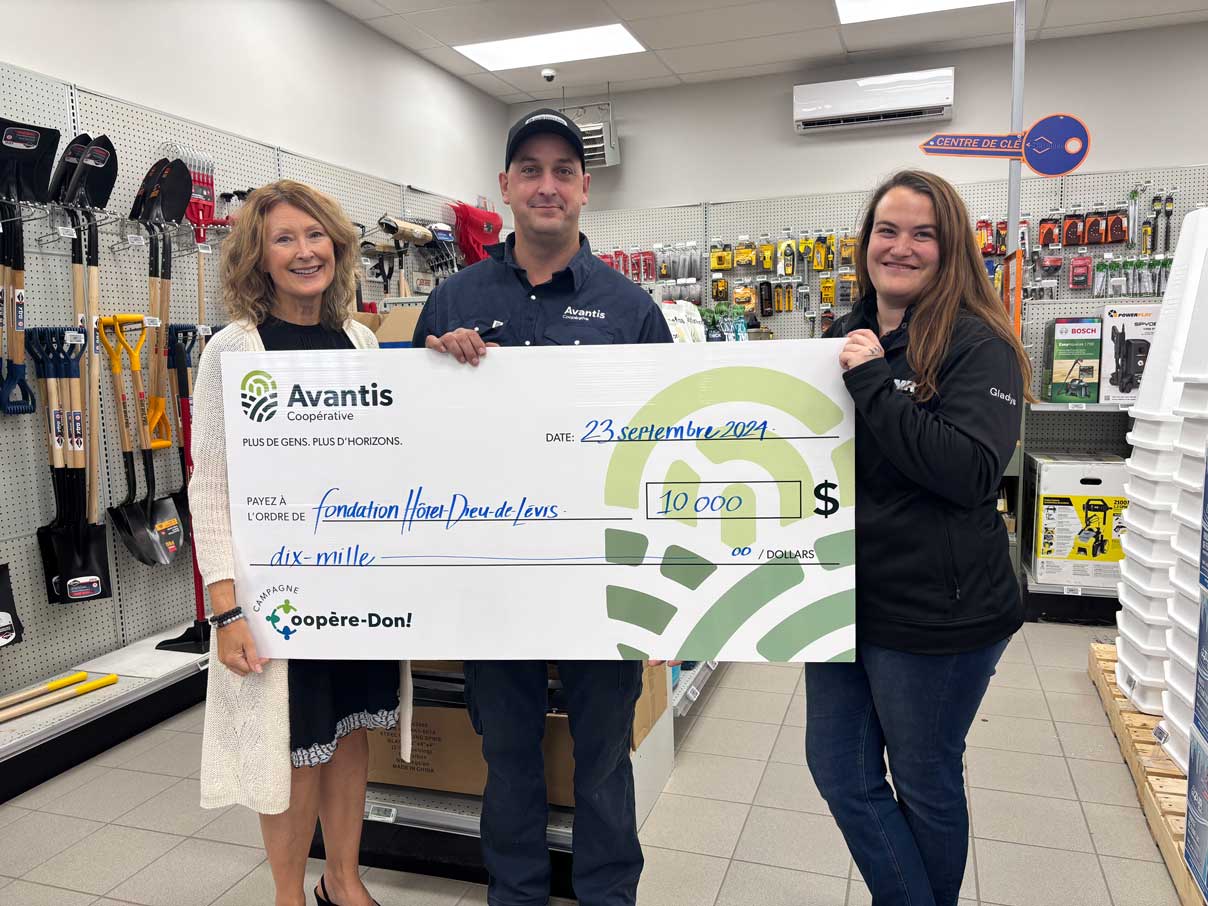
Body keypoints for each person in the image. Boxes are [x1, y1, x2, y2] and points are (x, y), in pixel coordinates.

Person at [412, 109, 672, 906]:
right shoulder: (454, 297)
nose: (547, 185)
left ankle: (607, 897)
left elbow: (664, 449)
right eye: (531, 169)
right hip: (494, 576)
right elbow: (413, 436)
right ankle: (514, 896)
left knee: (601, 759)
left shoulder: (632, 310)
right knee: (511, 756)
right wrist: (430, 367)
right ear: (505, 188)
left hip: (601, 576)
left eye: (564, 170)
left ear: (586, 189)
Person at [807, 169, 1032, 906]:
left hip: (941, 613)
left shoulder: (979, 344)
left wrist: (873, 384)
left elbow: (970, 471)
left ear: (952, 247)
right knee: (839, 768)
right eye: (887, 230)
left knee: (926, 777)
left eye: (923, 233)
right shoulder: (844, 337)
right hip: (841, 599)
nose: (901, 247)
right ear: (865, 241)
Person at [191, 180, 412, 906]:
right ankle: (289, 895)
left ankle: (342, 880)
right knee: (292, 745)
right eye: (284, 239)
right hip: (277, 593)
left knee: (349, 734)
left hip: (353, 586)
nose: (304, 251)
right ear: (258, 256)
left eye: (315, 235)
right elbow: (211, 485)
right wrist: (225, 611)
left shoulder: (360, 341)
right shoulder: (234, 350)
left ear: (338, 247)